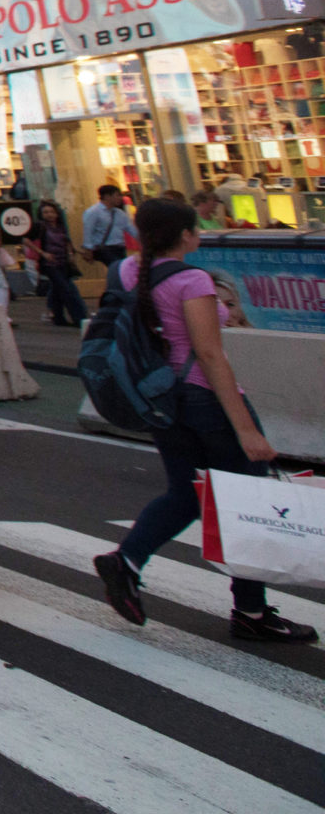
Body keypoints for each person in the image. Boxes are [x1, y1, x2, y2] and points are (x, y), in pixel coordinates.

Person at [96, 198, 318, 644]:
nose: (199, 233)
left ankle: (128, 559)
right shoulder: (192, 279)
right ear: (183, 235)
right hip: (203, 399)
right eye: (195, 228)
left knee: (185, 492)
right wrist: (248, 430)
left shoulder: (126, 271)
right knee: (249, 500)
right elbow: (210, 353)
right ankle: (251, 612)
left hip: (158, 400)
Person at [32, 199, 86, 325]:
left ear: (57, 213)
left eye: (51, 212)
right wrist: (43, 253)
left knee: (58, 289)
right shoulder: (40, 226)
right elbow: (26, 240)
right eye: (45, 212)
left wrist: (72, 253)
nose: (49, 214)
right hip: (50, 264)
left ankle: (58, 317)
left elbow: (67, 241)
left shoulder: (61, 226)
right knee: (67, 289)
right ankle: (79, 318)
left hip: (63, 262)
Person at [81, 183, 138, 266]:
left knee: (121, 269)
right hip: (105, 248)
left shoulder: (119, 213)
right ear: (107, 196)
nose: (120, 198)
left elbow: (130, 229)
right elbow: (88, 231)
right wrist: (88, 249)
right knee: (118, 268)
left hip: (120, 248)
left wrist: (142, 239)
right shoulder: (93, 212)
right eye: (117, 195)